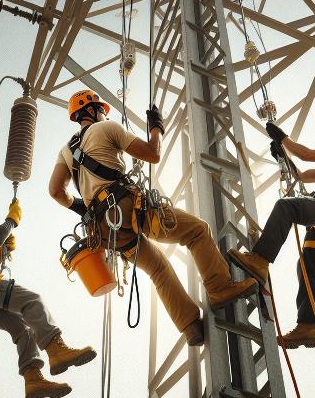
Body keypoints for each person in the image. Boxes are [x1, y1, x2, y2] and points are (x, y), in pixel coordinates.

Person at [49, 89, 258, 347]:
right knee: (197, 231)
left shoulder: (66, 151)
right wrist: (156, 128)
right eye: (101, 109)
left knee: (158, 269)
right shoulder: (107, 128)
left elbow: (56, 191)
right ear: (93, 110)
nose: (104, 113)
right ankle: (220, 288)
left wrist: (81, 207)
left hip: (105, 230)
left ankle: (191, 327)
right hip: (126, 206)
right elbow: (152, 154)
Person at [0, 185, 97, 398]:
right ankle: (56, 349)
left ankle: (33, 380)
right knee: (32, 301)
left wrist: (2, 253)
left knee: (23, 328)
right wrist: (11, 220)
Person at [227, 117, 315, 348]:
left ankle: (259, 260)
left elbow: (305, 153)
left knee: (286, 206)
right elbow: (300, 174)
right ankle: (307, 327)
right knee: (305, 266)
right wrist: (282, 156)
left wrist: (282, 137)